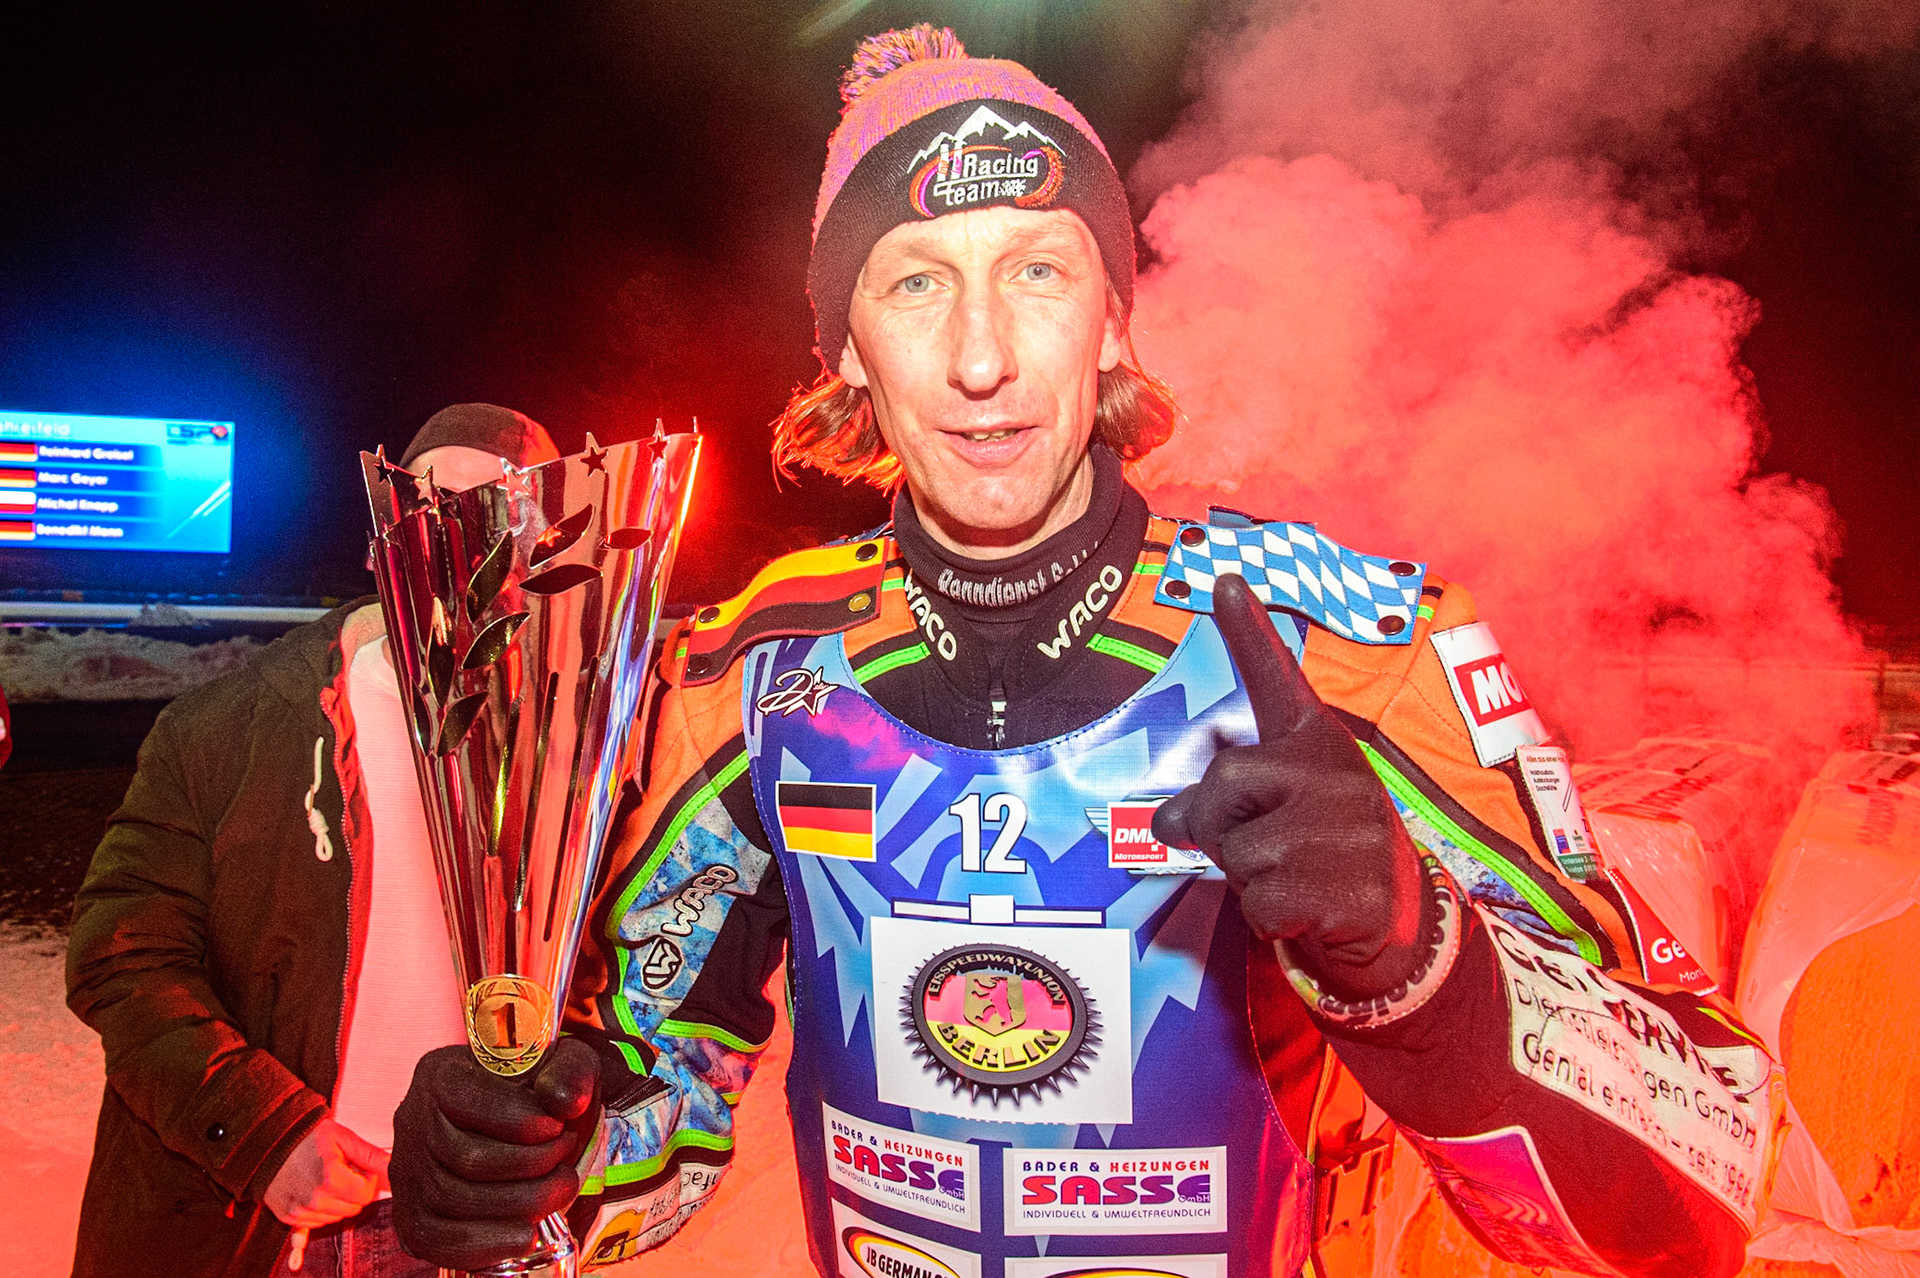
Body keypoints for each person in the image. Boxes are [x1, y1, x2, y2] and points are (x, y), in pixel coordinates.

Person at [387, 29, 1781, 1278]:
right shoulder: (754, 670)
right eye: (916, 284)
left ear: (1113, 316)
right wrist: (527, 1147)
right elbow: (653, 1107)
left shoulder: (1339, 643)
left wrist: (1421, 961)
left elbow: (1698, 1188)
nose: (981, 356)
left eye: (1038, 270)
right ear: (848, 357)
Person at [65, 404, 561, 1277]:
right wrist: (265, 1133)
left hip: (467, 1221)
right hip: (254, 1220)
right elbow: (123, 957)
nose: (460, 541)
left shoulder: (570, 747)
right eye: (432, 505)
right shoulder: (225, 728)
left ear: (541, 554)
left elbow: (604, 975)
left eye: (501, 516)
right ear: (380, 537)